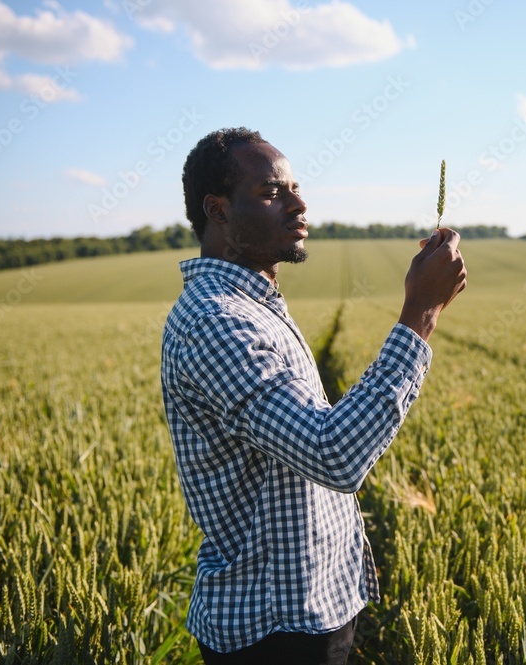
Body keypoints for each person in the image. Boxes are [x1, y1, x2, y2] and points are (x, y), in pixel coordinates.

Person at [161, 127, 466, 664]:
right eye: (271, 192)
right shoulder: (215, 321)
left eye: (296, 187)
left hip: (308, 611)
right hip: (272, 631)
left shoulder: (251, 304)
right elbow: (334, 454)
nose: (299, 204)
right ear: (219, 210)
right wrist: (420, 313)